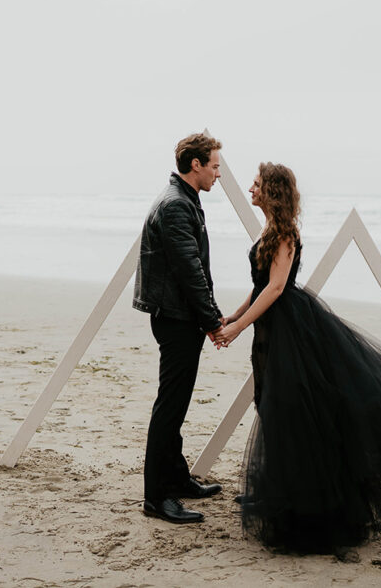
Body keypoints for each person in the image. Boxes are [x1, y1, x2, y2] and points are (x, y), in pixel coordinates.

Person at [214, 163, 381, 553]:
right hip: (270, 331)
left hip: (290, 332)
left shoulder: (285, 233)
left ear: (272, 191)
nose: (250, 188)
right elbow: (258, 287)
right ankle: (282, 490)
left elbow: (276, 288)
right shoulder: (269, 231)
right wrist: (233, 316)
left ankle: (304, 505)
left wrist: (236, 329)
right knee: (269, 404)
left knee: (289, 410)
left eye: (256, 184)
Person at [133, 133, 225, 524]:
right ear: (196, 165)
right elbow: (190, 272)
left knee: (176, 404)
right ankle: (156, 498)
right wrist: (213, 321)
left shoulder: (184, 200)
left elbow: (194, 269)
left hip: (179, 314)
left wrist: (207, 317)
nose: (218, 173)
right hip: (175, 318)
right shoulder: (176, 206)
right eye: (215, 166)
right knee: (169, 408)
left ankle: (178, 478)